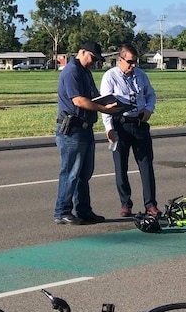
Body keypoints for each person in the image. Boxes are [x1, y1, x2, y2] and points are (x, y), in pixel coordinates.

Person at [54, 41, 119, 225]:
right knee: (71, 172)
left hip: (85, 128)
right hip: (72, 129)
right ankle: (62, 211)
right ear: (82, 52)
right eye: (92, 58)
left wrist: (111, 104)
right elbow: (79, 101)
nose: (94, 62)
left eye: (97, 60)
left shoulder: (85, 72)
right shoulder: (72, 71)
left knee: (84, 173)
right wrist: (104, 108)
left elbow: (94, 96)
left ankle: (83, 210)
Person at [100, 44, 160, 218]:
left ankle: (150, 204)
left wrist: (149, 109)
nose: (133, 65)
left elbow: (151, 94)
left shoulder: (141, 75)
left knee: (146, 166)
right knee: (121, 167)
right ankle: (125, 204)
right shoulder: (110, 77)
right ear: (120, 60)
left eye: (135, 62)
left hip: (139, 124)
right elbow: (105, 104)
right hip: (121, 125)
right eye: (130, 62)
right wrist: (109, 128)